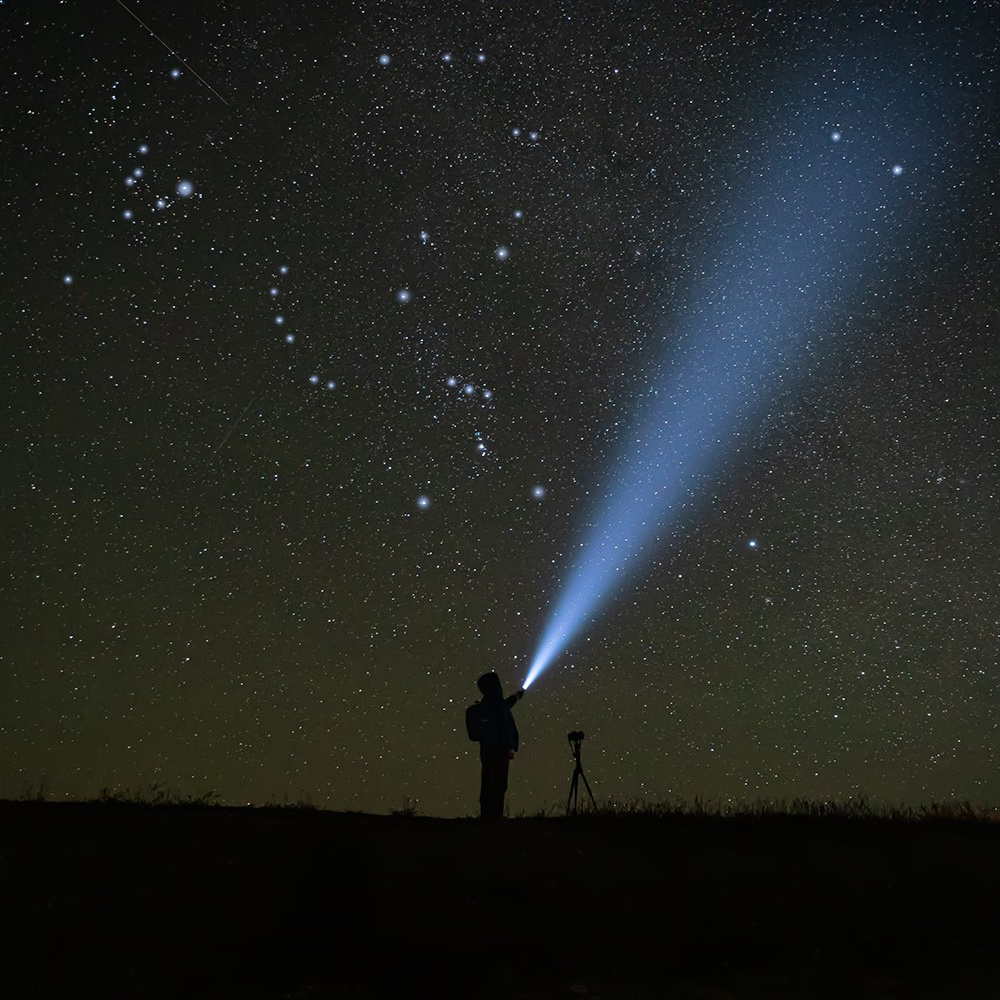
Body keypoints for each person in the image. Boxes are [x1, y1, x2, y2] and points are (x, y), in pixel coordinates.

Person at [468, 673, 525, 820]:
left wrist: (516, 697)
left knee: (488, 781)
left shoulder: (487, 704)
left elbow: (505, 706)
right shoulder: (497, 704)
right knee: (498, 784)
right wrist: (509, 747)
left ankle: (487, 815)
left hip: (487, 750)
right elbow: (503, 723)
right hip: (500, 750)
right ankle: (494, 817)